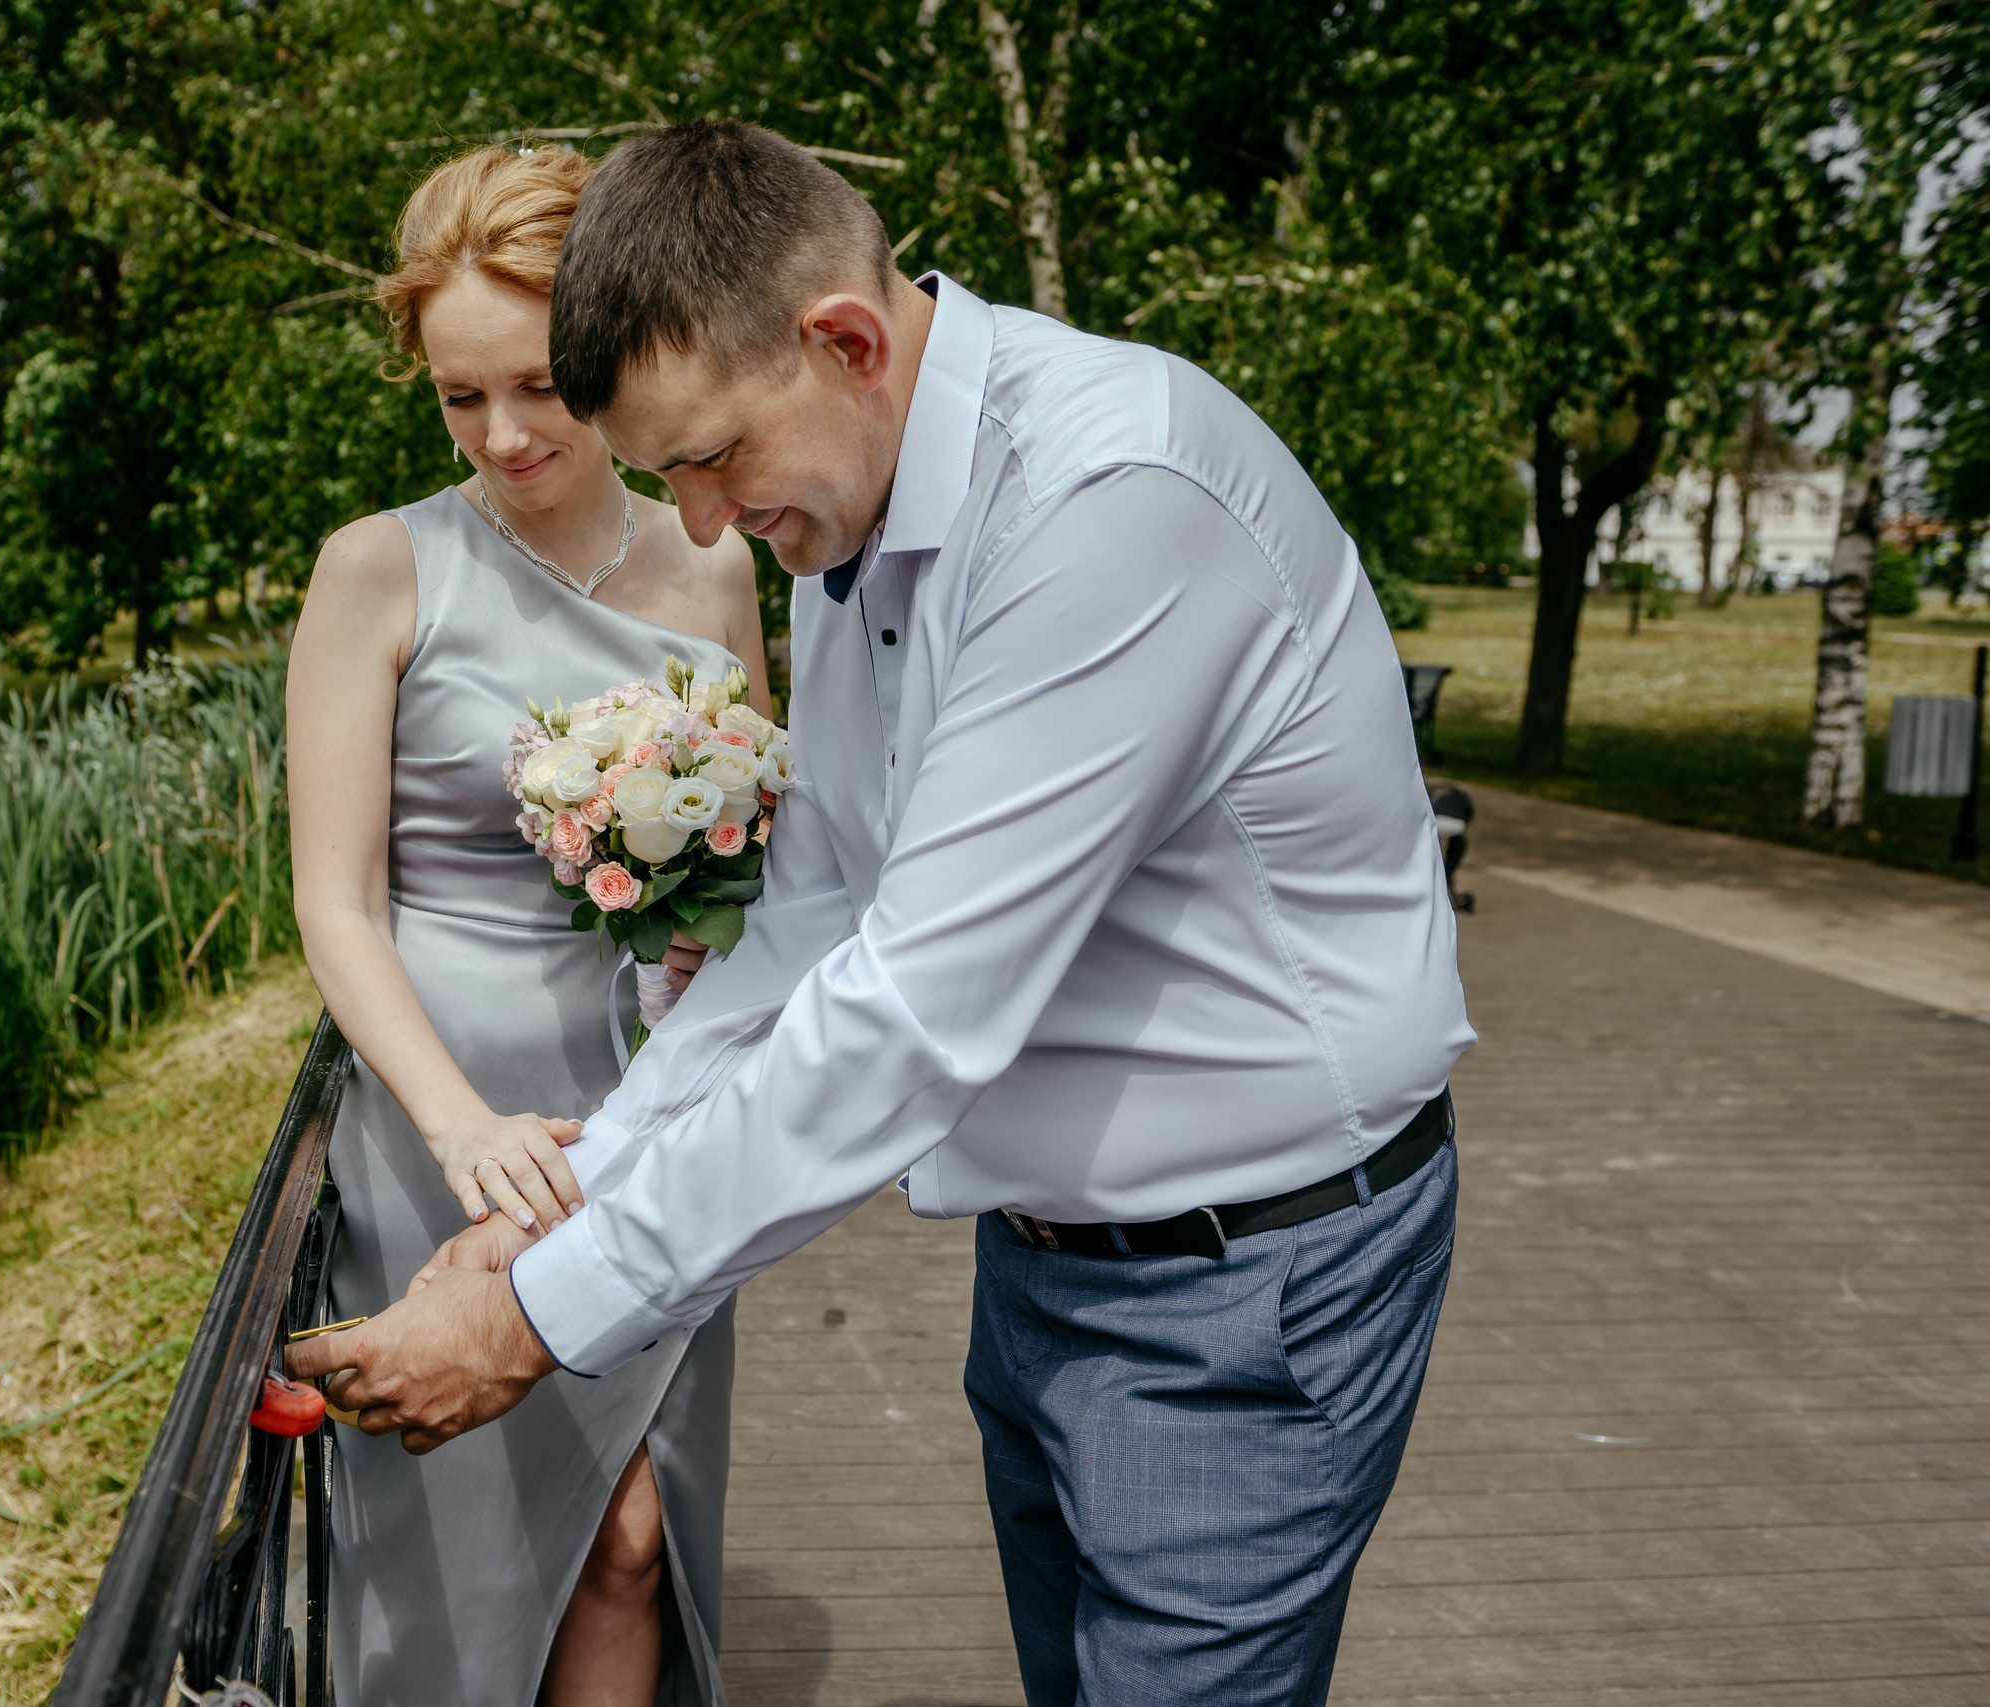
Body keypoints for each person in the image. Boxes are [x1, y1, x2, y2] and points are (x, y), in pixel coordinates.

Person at [292, 121, 1474, 1706]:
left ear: (842, 340)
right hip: (1056, 1267)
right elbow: (811, 924)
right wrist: (567, 1203)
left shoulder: (1101, 502)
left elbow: (915, 1006)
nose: (703, 526)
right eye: (667, 477)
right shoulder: (856, 513)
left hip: (1246, 1291)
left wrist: (531, 1319)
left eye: (709, 460)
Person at [283, 143, 769, 1707]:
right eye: (456, 398)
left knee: (632, 1538)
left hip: (650, 1103)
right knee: (489, 1558)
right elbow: (333, 900)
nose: (503, 436)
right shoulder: (377, 571)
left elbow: (747, 855)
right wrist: (456, 1123)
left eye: (538, 387)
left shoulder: (714, 562)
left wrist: (712, 940)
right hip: (450, 1117)